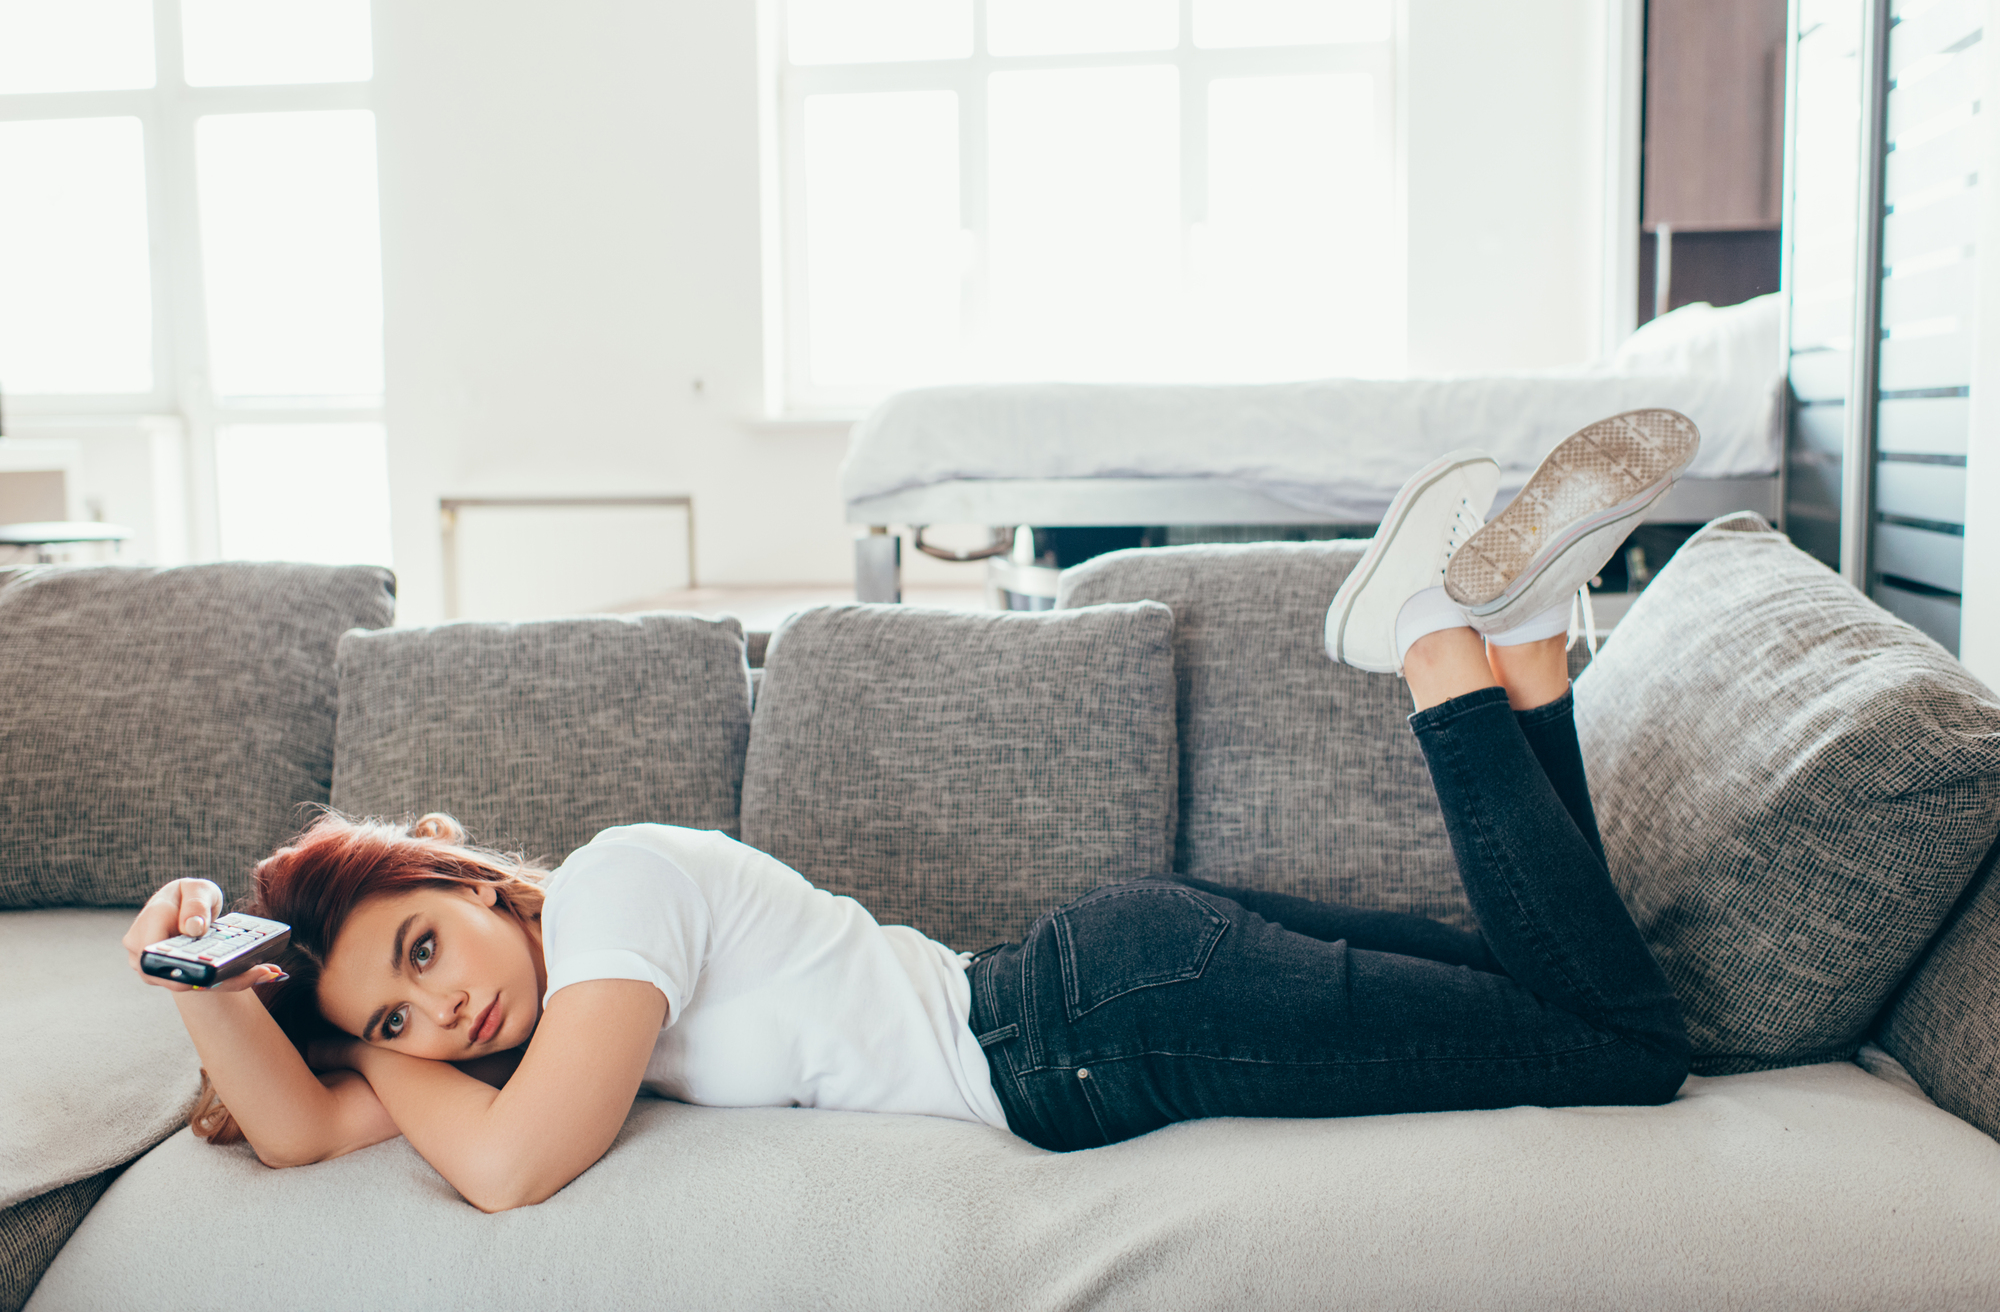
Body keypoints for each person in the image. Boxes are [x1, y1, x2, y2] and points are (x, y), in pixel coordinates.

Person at [122, 409, 1700, 1213]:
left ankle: (1431, 644)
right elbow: (318, 1125)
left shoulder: (611, 896)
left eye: (417, 944)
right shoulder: (536, 1027)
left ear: (473, 882)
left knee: (1620, 1050)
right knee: (1555, 994)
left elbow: (515, 1169)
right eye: (395, 1021)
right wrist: (195, 986)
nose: (440, 1008)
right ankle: (1530, 651)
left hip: (1101, 1032)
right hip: (1108, 983)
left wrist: (366, 1050)